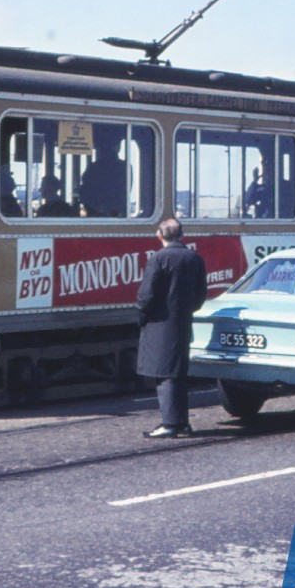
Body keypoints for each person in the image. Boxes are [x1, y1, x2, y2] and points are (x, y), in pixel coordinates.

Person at [135, 218, 208, 439]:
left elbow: (146, 295)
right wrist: (186, 311)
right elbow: (201, 294)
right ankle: (182, 424)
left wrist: (141, 315)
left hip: (160, 323)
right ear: (181, 234)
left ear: (160, 235)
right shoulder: (194, 258)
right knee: (177, 374)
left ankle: (170, 423)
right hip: (182, 322)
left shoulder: (158, 259)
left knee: (164, 374)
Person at [78, 136, 127, 217]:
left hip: (96, 211)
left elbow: (84, 189)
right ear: (117, 148)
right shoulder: (125, 166)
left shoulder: (93, 167)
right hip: (118, 213)